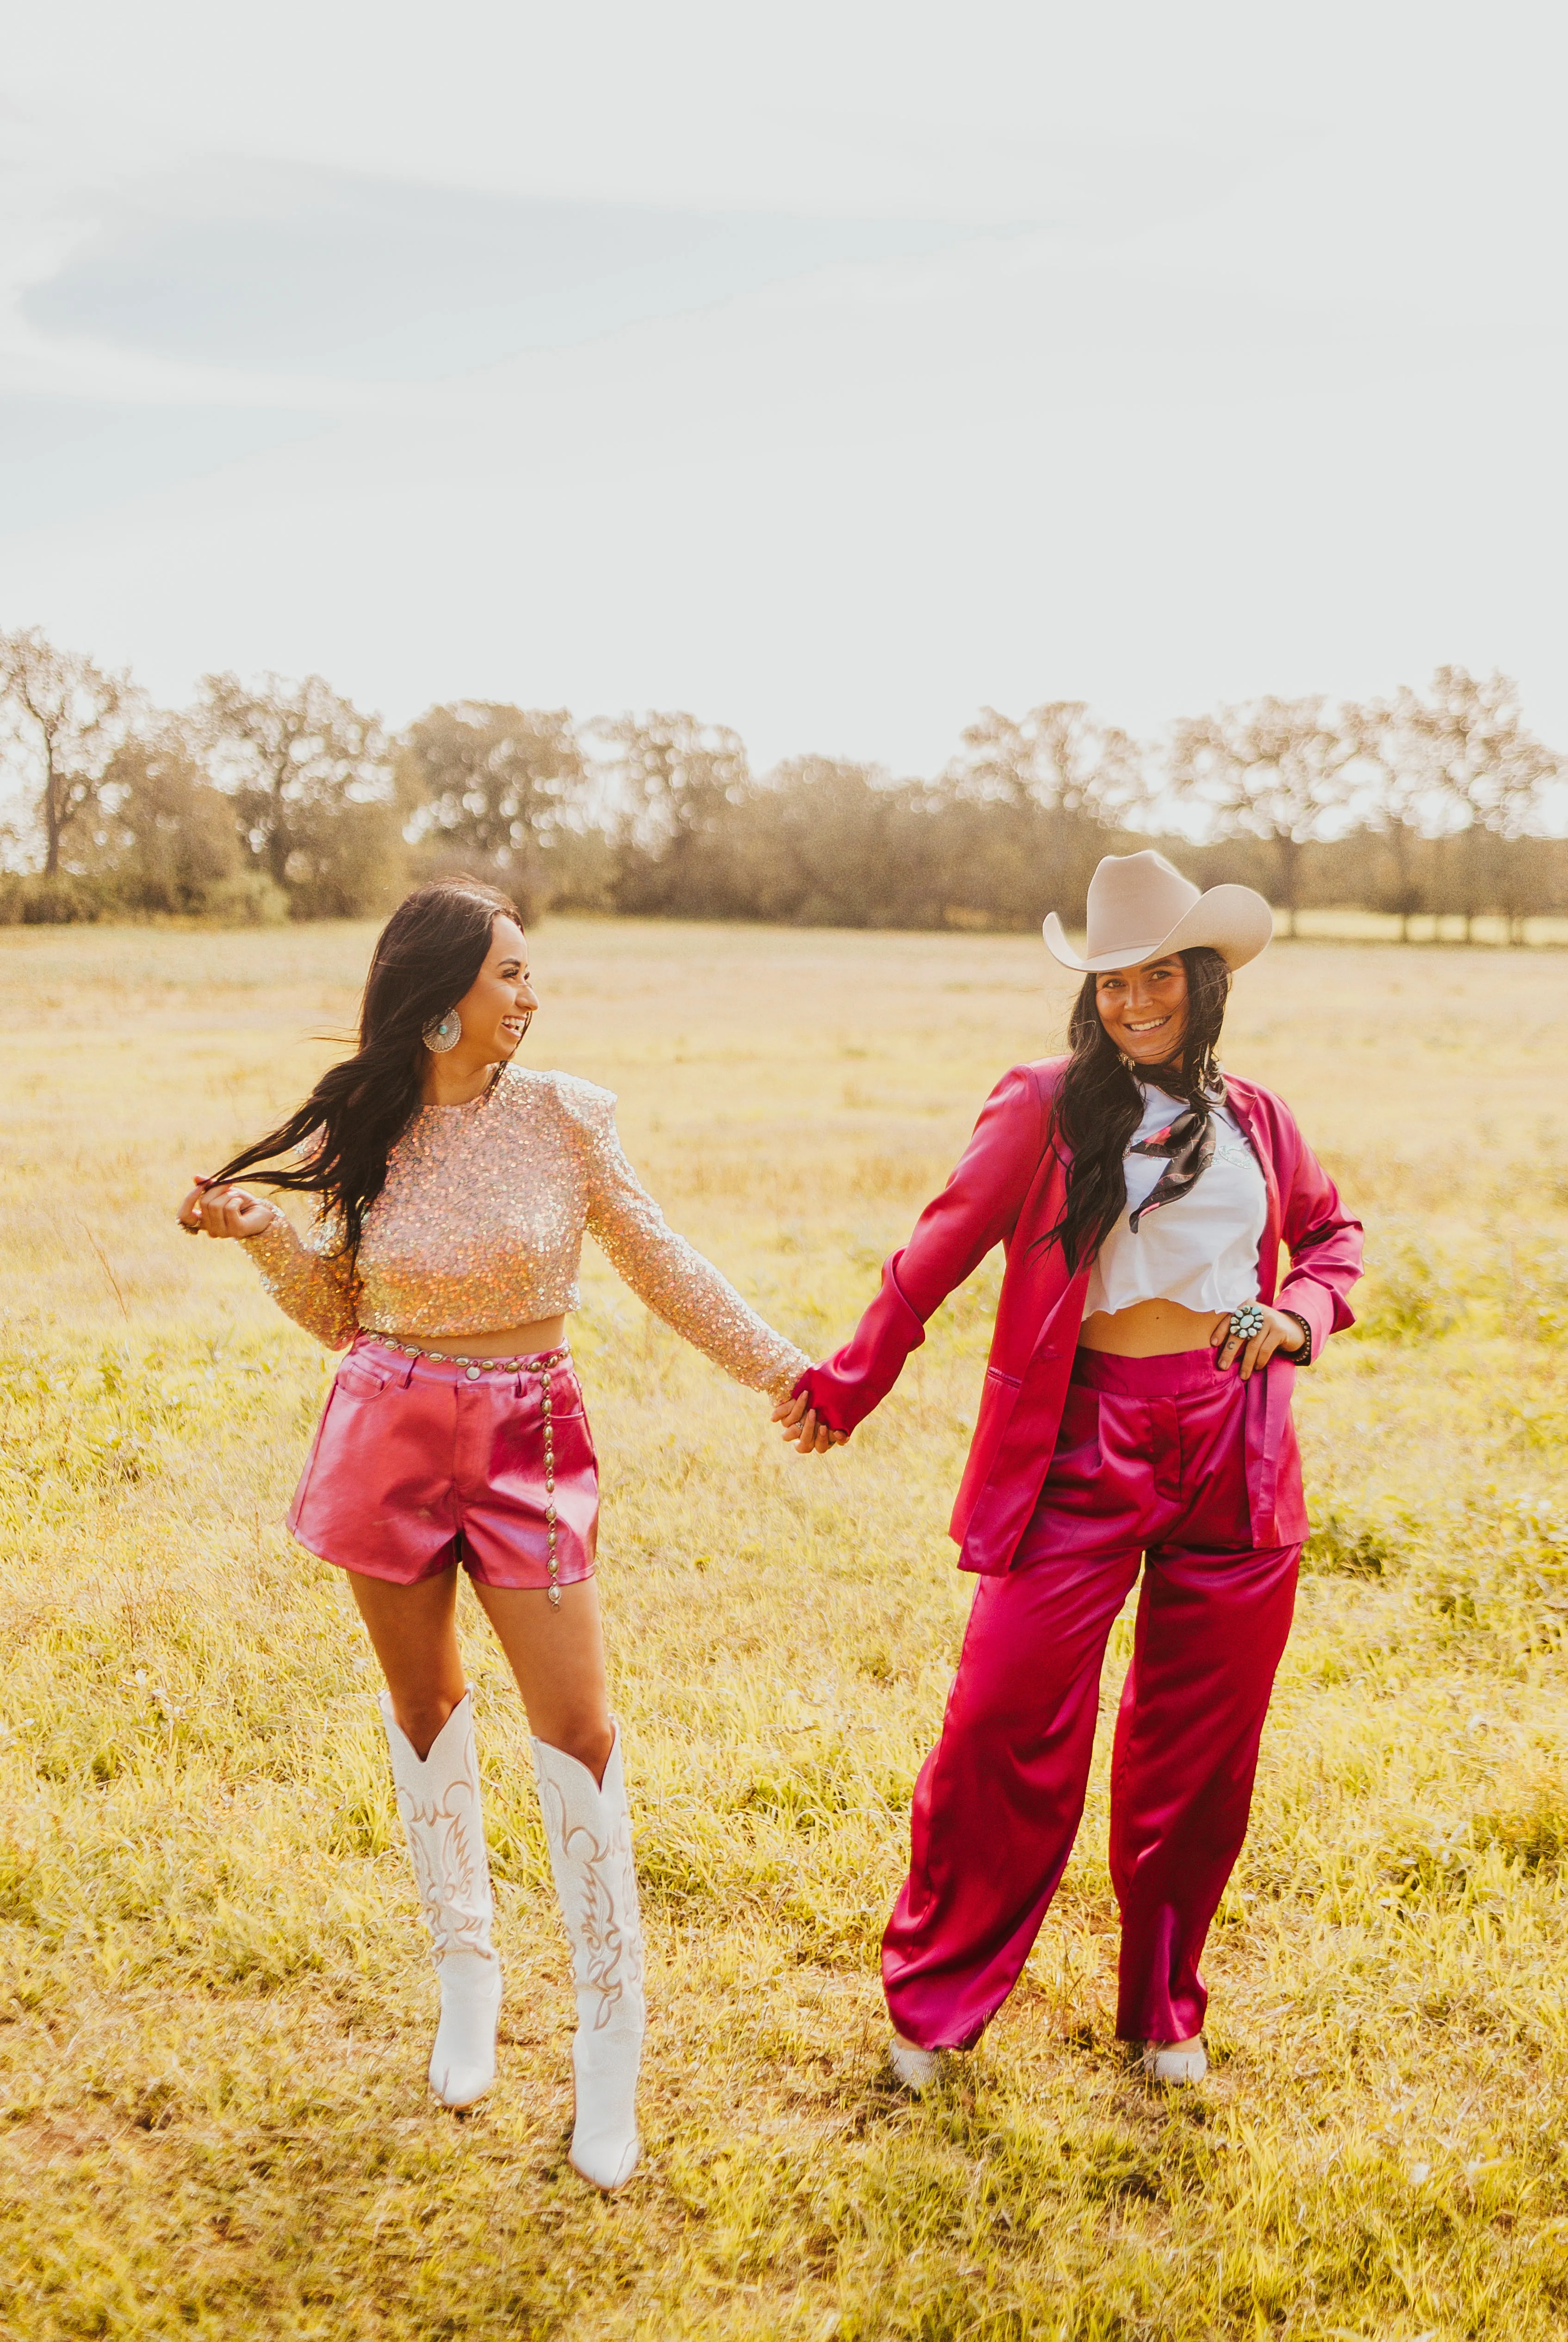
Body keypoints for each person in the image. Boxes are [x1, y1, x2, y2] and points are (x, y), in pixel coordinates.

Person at [178, 879, 809, 2189]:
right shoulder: (377, 1123)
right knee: (424, 1706)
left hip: (528, 1436)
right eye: (509, 972)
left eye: (531, 972)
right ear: (439, 994)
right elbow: (343, 1310)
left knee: (575, 1728)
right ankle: (466, 1970)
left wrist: (785, 1368)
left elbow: (660, 1256)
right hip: (386, 1429)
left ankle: (608, 2035)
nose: (530, 993)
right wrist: (262, 1233)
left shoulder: (565, 1116)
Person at [775, 851, 1362, 2087]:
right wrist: (848, 1382)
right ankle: (934, 2009)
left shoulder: (1257, 1116)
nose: (1133, 1002)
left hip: (1234, 1445)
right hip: (1079, 1445)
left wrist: (1299, 1316)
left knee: (1197, 1749)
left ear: (1203, 982)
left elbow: (1330, 1234)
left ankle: (1162, 2012)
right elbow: (932, 1253)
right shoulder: (1043, 1104)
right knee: (1000, 1720)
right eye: (1110, 982)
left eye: (1157, 976)